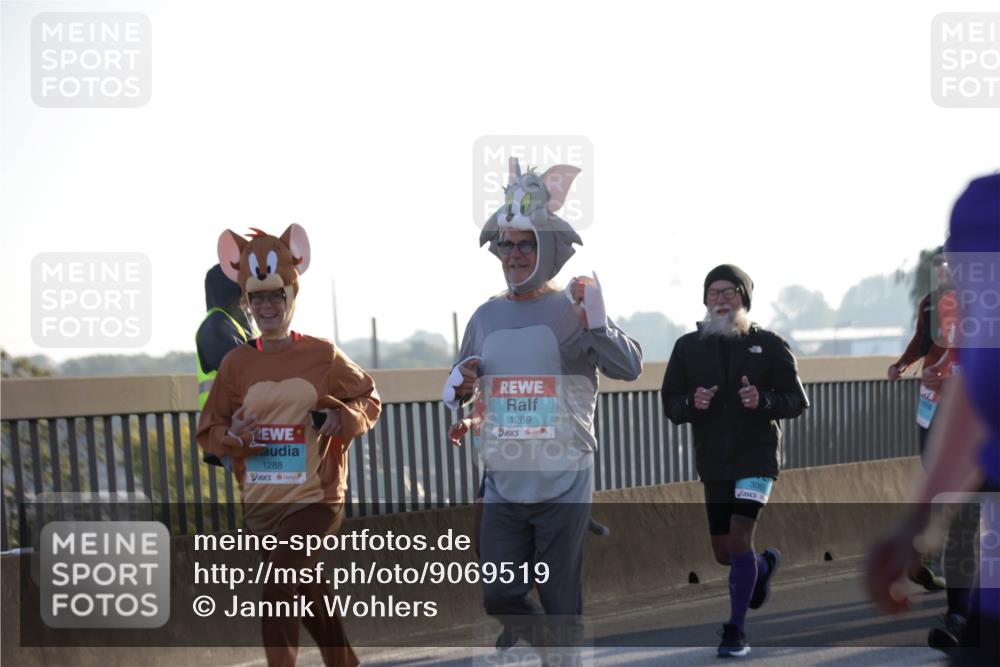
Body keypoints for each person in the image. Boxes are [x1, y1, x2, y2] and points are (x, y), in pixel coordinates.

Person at [443, 158, 642, 664]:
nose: (512, 254)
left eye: (525, 243)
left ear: (547, 247)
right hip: (505, 481)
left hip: (563, 478)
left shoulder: (572, 306)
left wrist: (596, 323)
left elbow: (630, 368)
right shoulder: (485, 317)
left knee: (559, 601)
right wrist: (462, 388)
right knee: (499, 594)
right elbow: (463, 376)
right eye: (506, 245)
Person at [197, 224, 381, 667]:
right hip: (263, 497)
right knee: (304, 588)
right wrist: (234, 437)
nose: (266, 306)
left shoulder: (322, 355)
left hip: (316, 495)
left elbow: (368, 398)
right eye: (257, 298)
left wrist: (340, 418)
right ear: (246, 301)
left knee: (279, 583)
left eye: (275, 296)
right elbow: (210, 428)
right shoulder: (236, 363)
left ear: (291, 298)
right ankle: (344, 661)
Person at [867, 173, 1000, 666]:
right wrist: (914, 524)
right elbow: (979, 386)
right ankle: (958, 615)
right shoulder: (982, 208)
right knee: (967, 516)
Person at [660, 264, 809, 658]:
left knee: (741, 537)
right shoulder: (687, 347)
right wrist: (693, 403)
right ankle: (762, 566)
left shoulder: (770, 344)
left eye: (730, 293)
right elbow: (671, 404)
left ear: (744, 298)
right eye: (714, 293)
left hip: (757, 455)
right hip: (714, 459)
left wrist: (765, 402)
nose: (721, 300)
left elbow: (797, 401)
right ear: (705, 301)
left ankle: (736, 631)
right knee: (724, 552)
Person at [196, 263, 256, 468]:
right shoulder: (216, 326)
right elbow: (246, 373)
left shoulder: (230, 323)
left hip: (238, 427)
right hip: (229, 428)